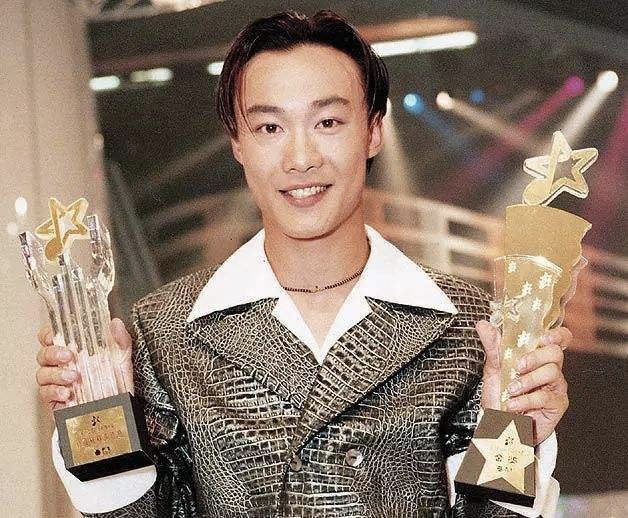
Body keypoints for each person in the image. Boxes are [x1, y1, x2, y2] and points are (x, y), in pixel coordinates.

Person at [35, 10, 571, 518]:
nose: (300, 158)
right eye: (270, 128)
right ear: (238, 144)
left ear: (373, 130)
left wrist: (515, 428)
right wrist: (95, 420)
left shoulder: (470, 329)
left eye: (328, 122)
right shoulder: (163, 331)